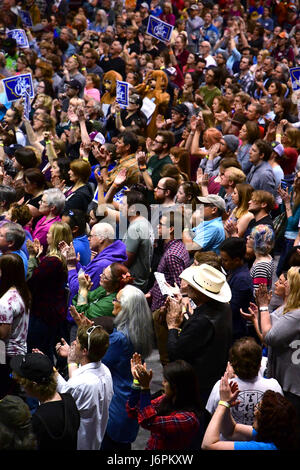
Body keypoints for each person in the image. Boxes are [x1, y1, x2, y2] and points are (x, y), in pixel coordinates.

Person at [166, 263, 232, 403]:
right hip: (214, 374)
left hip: (198, 384)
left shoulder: (202, 321)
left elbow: (175, 353)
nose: (187, 286)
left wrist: (172, 326)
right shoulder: (224, 308)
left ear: (200, 292)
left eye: (191, 285)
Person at [241, 267, 300, 420]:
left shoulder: (297, 314)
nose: (284, 284)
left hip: (293, 386)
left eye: (288, 281)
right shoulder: (287, 309)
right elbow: (268, 333)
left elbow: (269, 337)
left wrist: (263, 306)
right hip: (282, 378)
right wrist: (257, 317)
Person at [201, 372, 300, 450]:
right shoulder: (277, 434)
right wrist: (227, 405)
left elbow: (208, 445)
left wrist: (223, 403)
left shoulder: (264, 447)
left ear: (267, 421)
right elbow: (231, 431)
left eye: (258, 408)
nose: (254, 411)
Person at [55, 324, 113, 450]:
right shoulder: (105, 371)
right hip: (96, 439)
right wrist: (72, 360)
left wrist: (51, 370)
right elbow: (77, 380)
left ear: (85, 351)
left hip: (79, 443)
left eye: (78, 342)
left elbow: (66, 392)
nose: (74, 343)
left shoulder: (82, 383)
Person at [126, 355, 203, 450]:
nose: (162, 383)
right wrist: (137, 381)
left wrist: (145, 388)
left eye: (166, 381)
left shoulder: (188, 419)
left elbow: (148, 422)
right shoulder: (165, 399)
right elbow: (134, 411)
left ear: (177, 386)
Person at [206, 337, 283, 426]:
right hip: (261, 438)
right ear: (260, 363)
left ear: (232, 364)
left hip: (227, 439)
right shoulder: (273, 386)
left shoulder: (221, 387)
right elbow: (280, 418)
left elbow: (211, 418)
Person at [11, 352, 80, 450]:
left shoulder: (37, 420)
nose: (22, 386)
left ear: (33, 385)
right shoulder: (69, 400)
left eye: (22, 382)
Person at [26, 222, 72, 361]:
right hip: (53, 311)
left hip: (43, 313)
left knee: (38, 351)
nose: (47, 235)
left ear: (57, 237)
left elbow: (31, 281)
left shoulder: (52, 261)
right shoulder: (62, 258)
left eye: (50, 233)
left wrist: (33, 257)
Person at [0, 253, 31, 399]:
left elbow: (3, 334)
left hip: (5, 354)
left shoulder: (5, 302)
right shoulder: (23, 292)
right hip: (19, 350)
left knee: (5, 394)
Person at [219, 238, 254, 342]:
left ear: (237, 260)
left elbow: (232, 309)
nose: (222, 262)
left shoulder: (242, 279)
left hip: (235, 330)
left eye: (225, 260)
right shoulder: (234, 271)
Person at [32, 188, 65, 256]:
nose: (39, 203)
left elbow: (33, 249)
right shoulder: (45, 217)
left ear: (52, 207)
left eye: (43, 201)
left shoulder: (48, 228)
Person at [249, 224, 275, 293]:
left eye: (251, 237)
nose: (247, 237)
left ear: (258, 242)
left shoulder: (261, 266)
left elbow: (259, 294)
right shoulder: (268, 256)